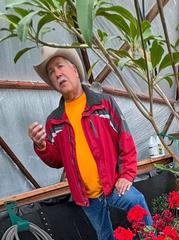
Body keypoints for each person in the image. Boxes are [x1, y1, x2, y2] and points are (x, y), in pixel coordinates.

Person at [28, 46, 152, 240]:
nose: (57, 74)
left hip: (112, 184)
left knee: (137, 201)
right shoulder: (55, 120)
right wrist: (42, 146)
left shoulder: (104, 103)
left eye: (60, 66)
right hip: (86, 195)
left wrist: (127, 174)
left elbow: (125, 139)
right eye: (51, 72)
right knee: (104, 235)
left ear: (75, 71)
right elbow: (56, 160)